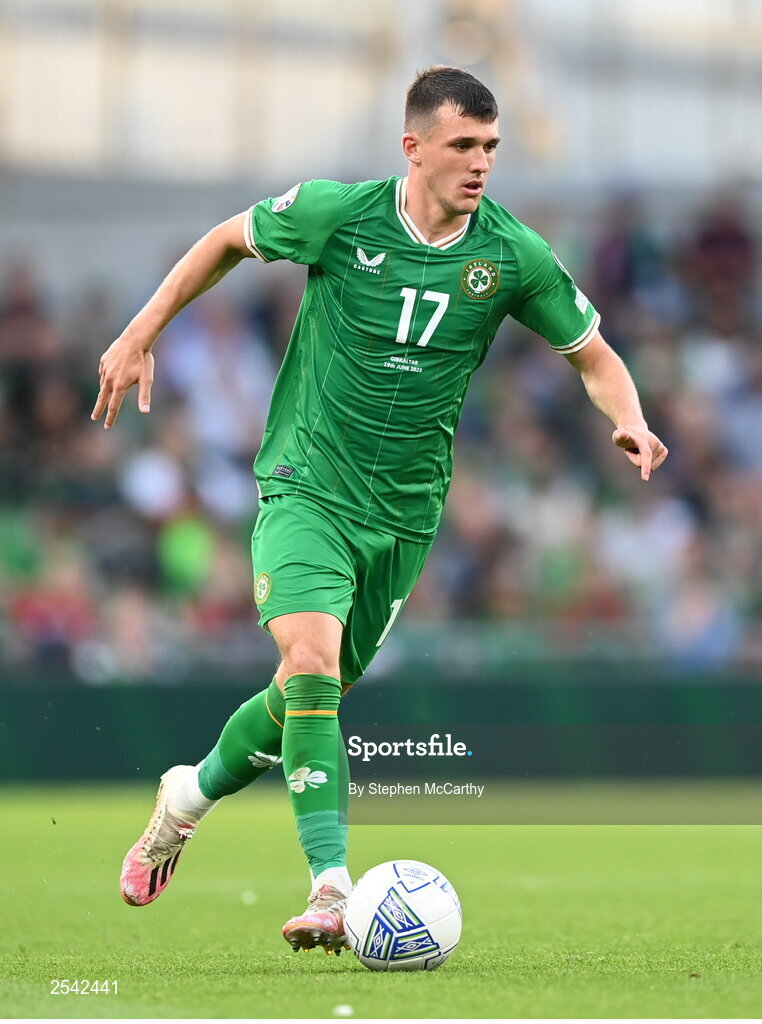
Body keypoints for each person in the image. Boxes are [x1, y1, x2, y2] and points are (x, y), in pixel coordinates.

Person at [92, 66, 668, 955]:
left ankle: (187, 798)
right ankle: (331, 887)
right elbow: (226, 240)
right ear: (414, 148)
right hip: (307, 483)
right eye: (462, 146)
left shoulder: (514, 256)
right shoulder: (338, 213)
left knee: (302, 695)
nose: (481, 164)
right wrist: (140, 331)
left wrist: (629, 419)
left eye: (491, 148)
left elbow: (593, 356)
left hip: (402, 518)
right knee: (312, 663)